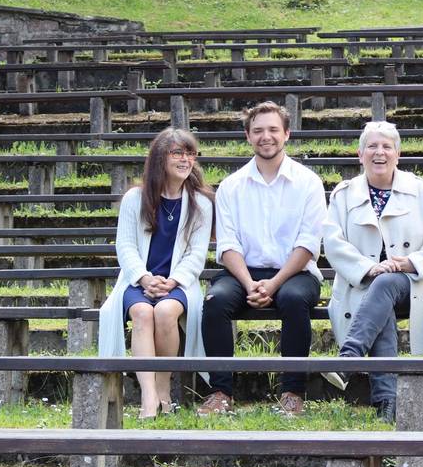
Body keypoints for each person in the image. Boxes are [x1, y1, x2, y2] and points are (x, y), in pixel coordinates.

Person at [198, 102, 327, 417]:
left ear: (286, 134)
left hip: (294, 272)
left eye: (272, 130)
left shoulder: (309, 182)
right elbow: (227, 245)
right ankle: (220, 392)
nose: (265, 137)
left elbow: (308, 245)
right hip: (242, 271)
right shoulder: (231, 186)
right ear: (247, 136)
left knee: (295, 299)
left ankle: (293, 392)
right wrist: (249, 283)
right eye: (258, 131)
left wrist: (275, 283)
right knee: (214, 301)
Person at [325, 121, 423, 423]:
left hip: (413, 284)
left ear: (398, 153)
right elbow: (332, 242)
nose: (379, 152)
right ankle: (387, 404)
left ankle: (349, 358)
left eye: (386, 146)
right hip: (363, 284)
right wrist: (369, 268)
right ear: (360, 154)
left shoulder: (419, 190)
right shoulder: (344, 195)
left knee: (386, 285)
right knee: (381, 294)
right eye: (372, 146)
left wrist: (409, 263)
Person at [98, 127, 214, 419]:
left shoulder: (201, 202)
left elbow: (196, 255)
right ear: (160, 157)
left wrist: (173, 281)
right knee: (141, 313)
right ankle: (148, 398)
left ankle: (163, 391)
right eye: (178, 153)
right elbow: (124, 246)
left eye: (190, 154)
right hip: (138, 281)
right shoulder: (135, 199)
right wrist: (144, 278)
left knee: (164, 312)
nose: (186, 159)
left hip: (180, 283)